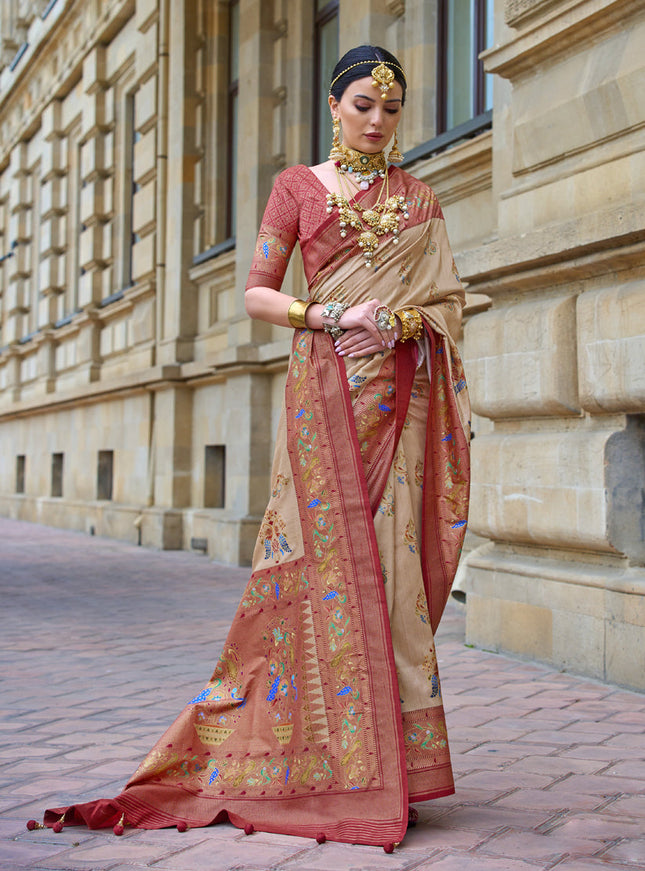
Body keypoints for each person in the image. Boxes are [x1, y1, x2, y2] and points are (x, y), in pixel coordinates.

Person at [38, 45, 470, 852]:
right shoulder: (297, 189)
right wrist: (333, 318)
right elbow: (256, 292)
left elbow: (447, 300)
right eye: (361, 106)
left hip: (398, 399)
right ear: (334, 107)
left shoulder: (420, 200)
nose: (376, 121)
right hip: (325, 394)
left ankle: (390, 767)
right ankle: (302, 751)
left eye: (390, 109)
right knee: (313, 566)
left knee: (388, 568)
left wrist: (403, 321)